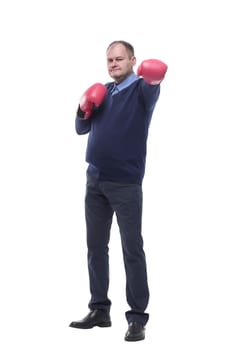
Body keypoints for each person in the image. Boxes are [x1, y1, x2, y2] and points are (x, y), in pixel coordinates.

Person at [69, 40, 167, 341]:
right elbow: (81, 129)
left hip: (125, 183)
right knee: (95, 248)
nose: (113, 64)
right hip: (94, 180)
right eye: (109, 59)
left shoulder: (142, 91)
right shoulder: (105, 92)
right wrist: (83, 106)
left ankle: (137, 317)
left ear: (133, 61)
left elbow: (155, 77)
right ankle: (100, 309)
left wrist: (154, 76)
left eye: (119, 59)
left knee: (131, 249)